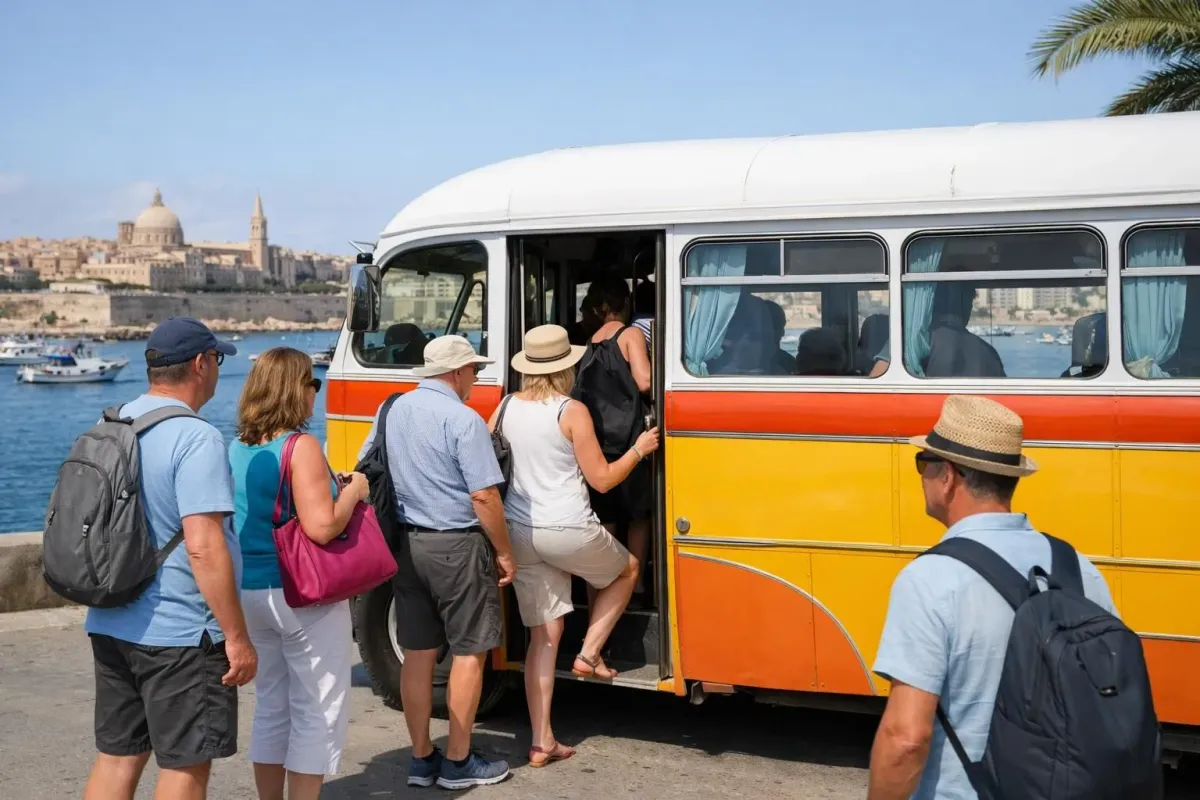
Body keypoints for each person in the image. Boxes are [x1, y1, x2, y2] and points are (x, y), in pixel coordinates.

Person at [867, 395, 1116, 800]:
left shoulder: (931, 578)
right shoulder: (1078, 568)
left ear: (947, 476)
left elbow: (906, 738)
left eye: (923, 464)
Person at [83, 317, 256, 800]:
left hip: (112, 618)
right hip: (180, 632)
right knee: (185, 765)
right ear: (201, 364)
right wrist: (237, 638)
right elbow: (203, 544)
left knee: (118, 757)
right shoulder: (195, 437)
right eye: (217, 361)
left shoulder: (111, 421)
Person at [490, 325, 659, 767]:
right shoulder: (572, 410)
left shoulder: (504, 407)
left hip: (519, 533)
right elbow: (602, 478)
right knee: (627, 571)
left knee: (542, 640)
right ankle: (589, 652)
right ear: (568, 366)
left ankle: (542, 741)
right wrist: (640, 450)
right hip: (566, 528)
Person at [356, 334, 516, 790]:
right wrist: (504, 551)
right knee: (469, 653)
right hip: (457, 547)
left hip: (406, 547)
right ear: (456, 372)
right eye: (474, 371)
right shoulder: (464, 421)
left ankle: (422, 758)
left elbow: (366, 466)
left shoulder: (392, 410)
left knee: (419, 656)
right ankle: (460, 761)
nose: (475, 378)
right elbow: (484, 495)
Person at [228, 347, 370, 800]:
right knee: (317, 709)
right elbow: (323, 526)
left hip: (251, 589)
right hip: (300, 594)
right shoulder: (301, 445)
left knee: (272, 705)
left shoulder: (237, 446)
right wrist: (354, 491)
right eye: (313, 384)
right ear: (296, 390)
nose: (316, 393)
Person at [573, 276, 654, 604]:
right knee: (637, 516)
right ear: (625, 303)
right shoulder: (630, 333)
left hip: (599, 438)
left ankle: (608, 581)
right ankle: (635, 584)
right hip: (631, 438)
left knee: (606, 517)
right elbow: (644, 381)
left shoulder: (591, 340)